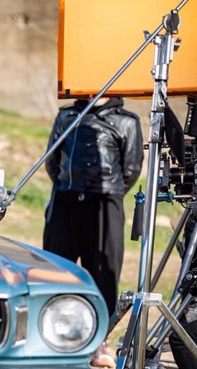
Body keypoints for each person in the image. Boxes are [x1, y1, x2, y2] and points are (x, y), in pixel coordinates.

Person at [43, 97, 143, 319]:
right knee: (56, 268)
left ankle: (100, 336)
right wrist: (66, 184)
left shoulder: (126, 121)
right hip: (66, 199)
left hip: (105, 201)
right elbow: (52, 159)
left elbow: (131, 167)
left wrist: (108, 191)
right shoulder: (66, 116)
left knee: (103, 271)